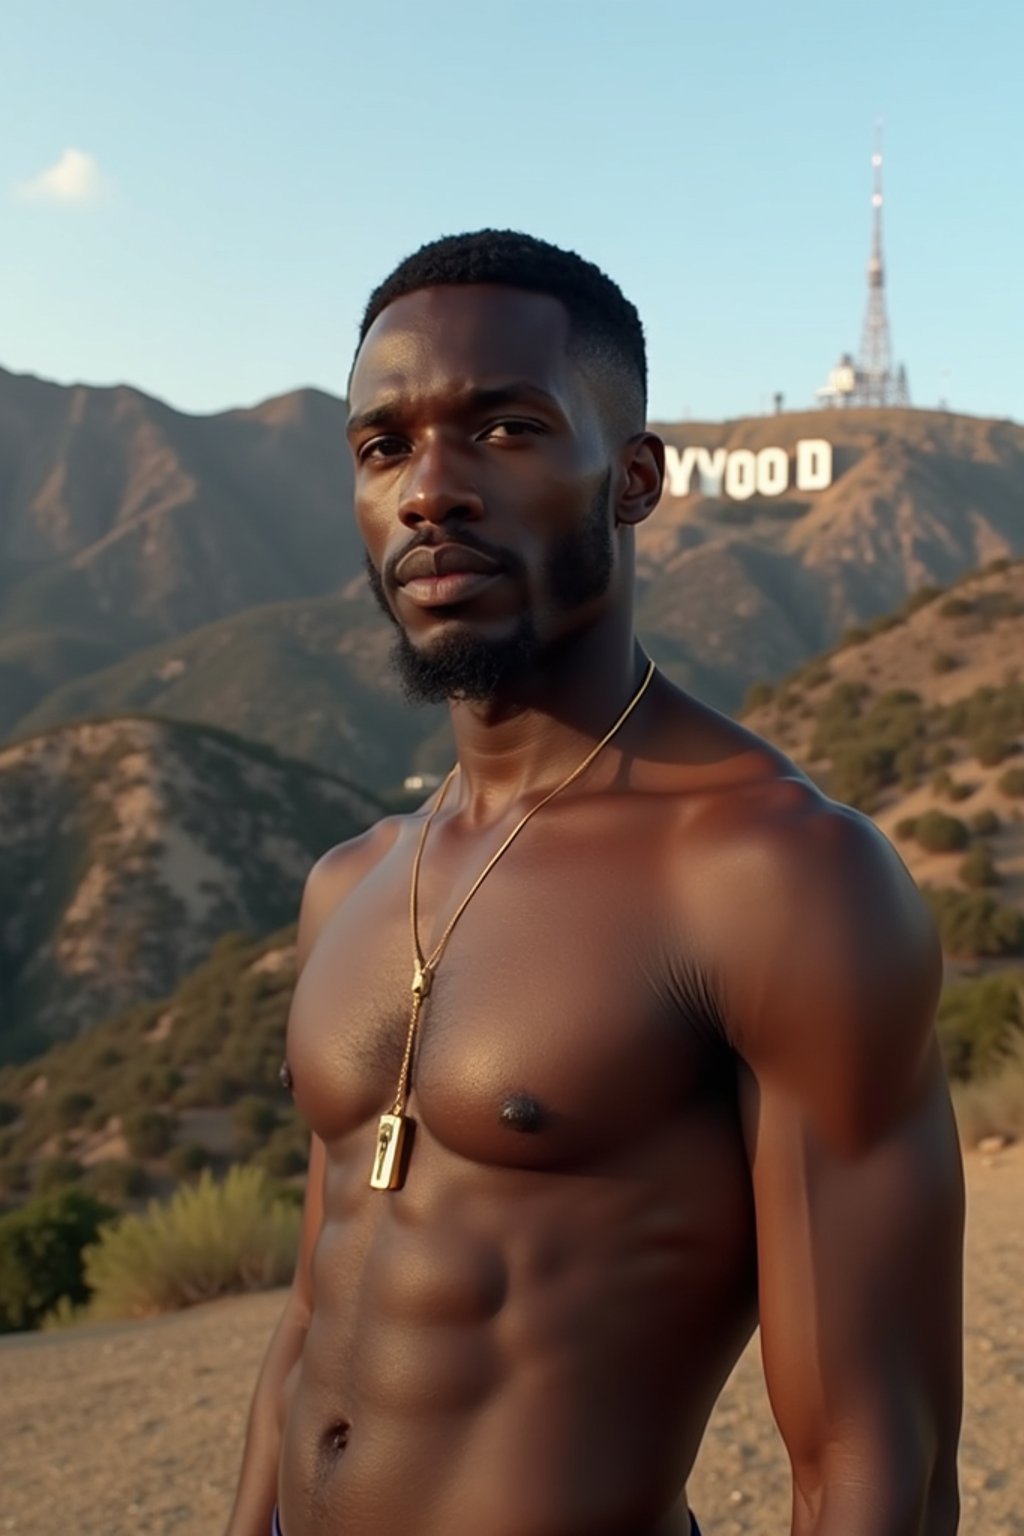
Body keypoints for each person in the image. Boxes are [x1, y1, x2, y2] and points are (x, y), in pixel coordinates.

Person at [225, 231, 964, 1536]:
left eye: (502, 430)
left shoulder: (775, 877)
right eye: (382, 447)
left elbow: (867, 1458)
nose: (428, 492)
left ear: (633, 480)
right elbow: (309, 1322)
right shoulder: (349, 886)